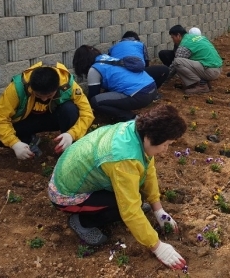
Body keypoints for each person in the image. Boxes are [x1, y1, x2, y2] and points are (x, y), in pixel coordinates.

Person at [48, 104, 187, 270]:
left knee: (136, 195)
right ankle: (82, 221)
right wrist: (157, 247)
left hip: (73, 173)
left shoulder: (135, 130)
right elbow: (130, 210)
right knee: (122, 206)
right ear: (151, 138)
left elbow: (148, 168)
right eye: (166, 144)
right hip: (65, 194)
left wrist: (158, 209)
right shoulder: (124, 159)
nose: (166, 150)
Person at [0, 62, 94, 160]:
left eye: (49, 95)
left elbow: (87, 113)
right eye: (38, 95)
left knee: (70, 109)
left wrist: (72, 134)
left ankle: (70, 153)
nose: (44, 99)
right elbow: (0, 118)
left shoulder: (67, 85)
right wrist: (14, 143)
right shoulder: (17, 87)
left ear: (56, 87)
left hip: (51, 118)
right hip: (24, 122)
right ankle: (28, 140)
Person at [73, 45, 158, 122]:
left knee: (95, 101)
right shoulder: (106, 58)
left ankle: (132, 117)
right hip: (152, 89)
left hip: (140, 95)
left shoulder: (94, 69)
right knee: (105, 95)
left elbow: (93, 95)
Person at [167, 25, 223, 94]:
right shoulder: (196, 37)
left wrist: (163, 79)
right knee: (190, 60)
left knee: (177, 62)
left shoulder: (184, 45)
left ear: (178, 35)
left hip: (211, 71)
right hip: (217, 67)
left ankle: (201, 86)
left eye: (173, 37)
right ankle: (204, 80)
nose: (173, 40)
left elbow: (173, 67)